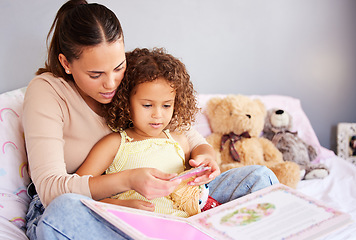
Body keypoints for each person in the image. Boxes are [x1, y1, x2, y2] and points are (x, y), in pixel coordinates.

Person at [22, 0, 279, 239]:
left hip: (173, 197)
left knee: (260, 178)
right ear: (66, 63)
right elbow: (50, 191)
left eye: (118, 67)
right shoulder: (47, 91)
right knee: (61, 215)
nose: (111, 83)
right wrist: (126, 186)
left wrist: (206, 157)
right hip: (97, 204)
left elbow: (186, 135)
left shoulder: (131, 79)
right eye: (95, 74)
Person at [76, 47, 220, 217]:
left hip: (183, 225)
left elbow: (199, 162)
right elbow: (77, 190)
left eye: (166, 105)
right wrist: (119, 206)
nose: (157, 115)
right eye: (147, 105)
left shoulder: (178, 140)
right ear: (126, 102)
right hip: (137, 227)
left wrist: (206, 162)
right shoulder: (114, 144)